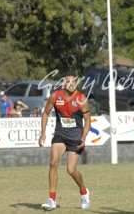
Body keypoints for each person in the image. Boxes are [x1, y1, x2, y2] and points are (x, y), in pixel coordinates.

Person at [38, 72, 91, 210]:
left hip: (76, 138)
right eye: (68, 82)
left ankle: (84, 192)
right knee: (53, 163)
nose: (72, 84)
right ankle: (51, 199)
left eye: (74, 82)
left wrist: (84, 137)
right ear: (63, 83)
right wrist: (43, 133)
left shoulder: (81, 99)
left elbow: (87, 120)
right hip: (60, 135)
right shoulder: (56, 96)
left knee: (71, 170)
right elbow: (45, 113)